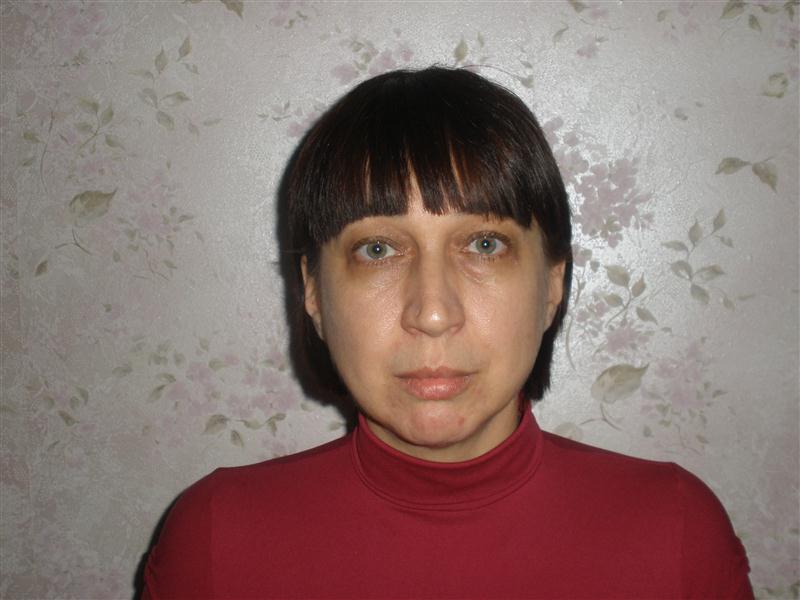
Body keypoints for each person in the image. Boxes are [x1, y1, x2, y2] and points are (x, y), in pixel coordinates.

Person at [142, 67, 753, 599]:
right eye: (377, 249)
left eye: (484, 245)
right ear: (312, 293)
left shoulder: (676, 533)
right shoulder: (216, 540)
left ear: (552, 284)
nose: (432, 314)